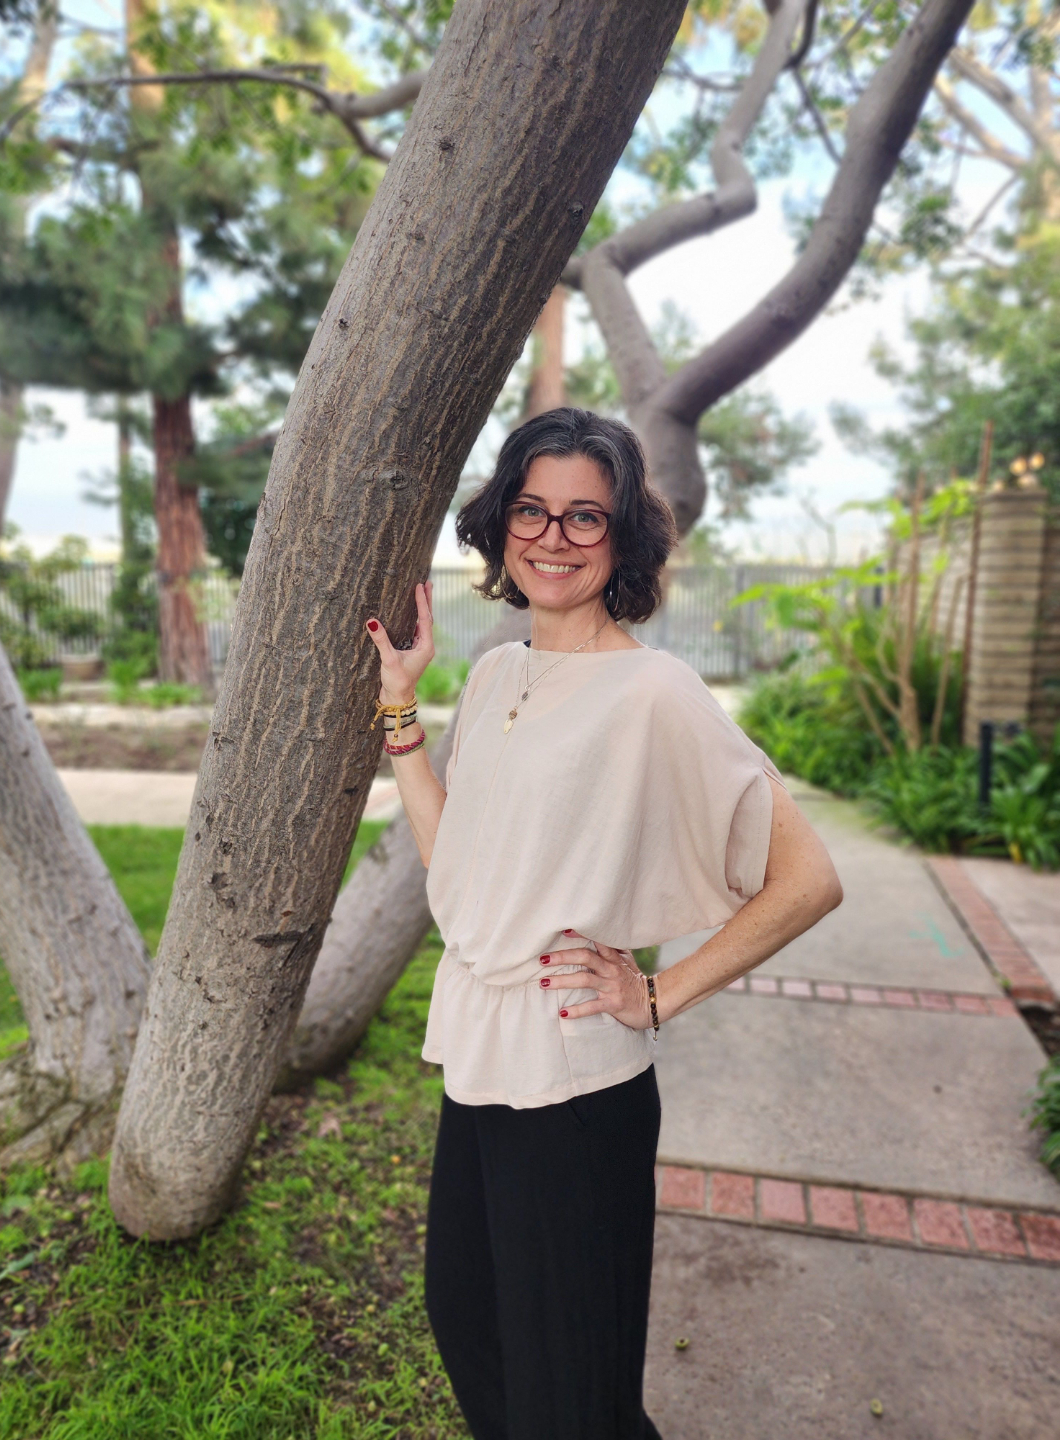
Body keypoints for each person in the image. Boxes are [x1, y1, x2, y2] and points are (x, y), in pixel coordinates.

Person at [364, 408, 842, 1440]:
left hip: (575, 1086)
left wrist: (659, 993)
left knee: (571, 1392)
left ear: (623, 537)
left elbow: (808, 880)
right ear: (501, 522)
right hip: (481, 1060)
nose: (554, 536)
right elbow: (458, 863)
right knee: (470, 1324)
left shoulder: (653, 691)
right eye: (531, 509)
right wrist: (402, 712)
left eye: (585, 516)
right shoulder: (496, 673)